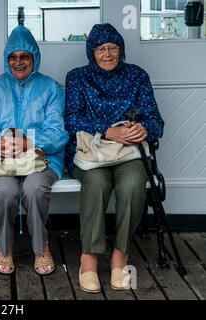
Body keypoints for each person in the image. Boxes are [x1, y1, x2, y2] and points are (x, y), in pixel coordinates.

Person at [64, 23, 164, 293]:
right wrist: (108, 130)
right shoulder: (77, 78)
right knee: (96, 184)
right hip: (91, 154)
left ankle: (120, 256)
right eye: (100, 49)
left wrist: (145, 128)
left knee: (132, 186)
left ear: (121, 50)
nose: (107, 54)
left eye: (113, 48)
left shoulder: (137, 76)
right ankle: (89, 259)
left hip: (128, 153)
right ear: (91, 52)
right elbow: (71, 119)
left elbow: (155, 120)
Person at [0, 25, 69, 276]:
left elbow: (58, 133)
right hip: (2, 161)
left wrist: (29, 143)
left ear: (34, 58)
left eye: (24, 56)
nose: (18, 62)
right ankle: (4, 247)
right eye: (13, 57)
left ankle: (40, 246)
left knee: (34, 188)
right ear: (6, 60)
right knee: (5, 191)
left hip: (42, 158)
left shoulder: (51, 88)